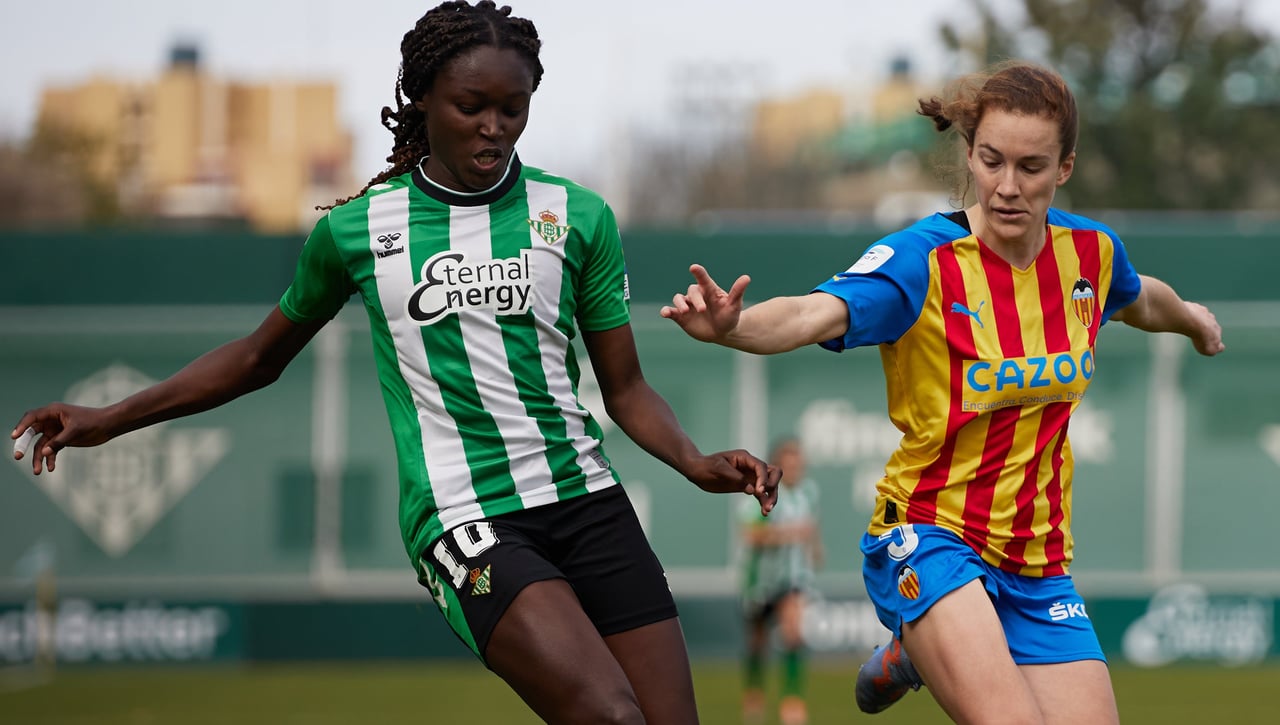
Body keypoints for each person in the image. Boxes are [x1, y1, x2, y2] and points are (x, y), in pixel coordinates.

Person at [10, 3, 780, 723]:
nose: (493, 127)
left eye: (512, 109)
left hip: (588, 500)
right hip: (465, 517)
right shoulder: (355, 231)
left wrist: (695, 461)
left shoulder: (576, 216)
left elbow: (628, 388)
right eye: (470, 106)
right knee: (609, 713)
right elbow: (254, 358)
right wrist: (107, 418)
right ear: (421, 100)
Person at [660, 60, 1224, 724]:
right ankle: (922, 636)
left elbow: (1137, 298)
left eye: (1031, 167)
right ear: (969, 152)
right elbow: (815, 313)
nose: (1007, 186)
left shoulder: (1090, 255)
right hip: (928, 534)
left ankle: (910, 654)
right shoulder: (922, 260)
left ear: (1065, 167)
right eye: (991, 161)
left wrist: (1192, 319)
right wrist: (733, 327)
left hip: (1038, 562)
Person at [737, 437, 823, 725]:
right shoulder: (766, 493)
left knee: (793, 634)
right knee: (757, 644)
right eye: (791, 462)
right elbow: (751, 535)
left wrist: (815, 550)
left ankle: (792, 704)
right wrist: (789, 534)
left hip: (793, 578)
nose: (797, 467)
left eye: (800, 461)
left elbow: (812, 529)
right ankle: (754, 696)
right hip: (761, 580)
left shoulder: (809, 493)